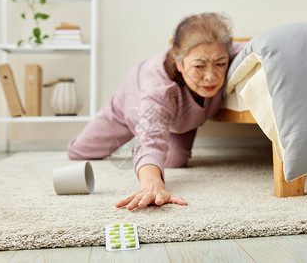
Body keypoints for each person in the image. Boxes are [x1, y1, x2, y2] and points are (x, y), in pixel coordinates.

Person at [68, 12, 245, 210]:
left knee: (173, 162)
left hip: (179, 121)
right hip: (132, 104)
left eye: (220, 63)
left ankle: (147, 138)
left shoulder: (222, 49)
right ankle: (138, 132)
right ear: (179, 62)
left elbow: (262, 47)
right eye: (199, 66)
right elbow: (152, 139)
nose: (211, 76)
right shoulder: (159, 87)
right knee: (79, 151)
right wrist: (152, 184)